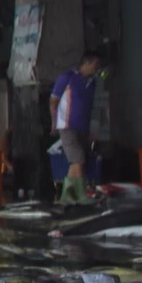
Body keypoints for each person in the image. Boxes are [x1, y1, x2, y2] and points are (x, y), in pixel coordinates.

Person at [51, 52, 101, 206]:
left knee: (76, 162)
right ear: (86, 63)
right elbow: (53, 101)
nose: (97, 67)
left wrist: (92, 129)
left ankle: (67, 197)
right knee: (78, 159)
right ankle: (81, 197)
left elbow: (92, 106)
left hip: (82, 127)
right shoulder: (67, 78)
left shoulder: (92, 82)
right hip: (66, 126)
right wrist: (54, 123)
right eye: (95, 64)